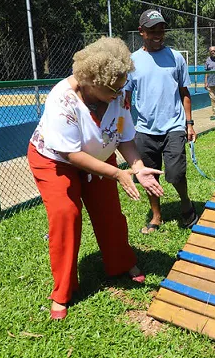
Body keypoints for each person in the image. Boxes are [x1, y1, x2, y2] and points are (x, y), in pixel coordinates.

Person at [27, 37, 165, 320]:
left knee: (110, 214)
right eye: (112, 89)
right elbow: (71, 154)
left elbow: (124, 137)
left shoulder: (119, 91)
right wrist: (117, 173)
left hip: (101, 156)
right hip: (56, 161)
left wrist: (137, 167)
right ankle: (62, 292)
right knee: (66, 215)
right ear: (90, 80)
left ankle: (121, 262)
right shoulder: (62, 98)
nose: (119, 93)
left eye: (122, 85)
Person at [126, 9, 199, 235]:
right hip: (145, 129)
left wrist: (189, 123)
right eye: (152, 31)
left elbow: (184, 92)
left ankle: (186, 204)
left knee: (175, 173)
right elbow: (126, 99)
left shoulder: (176, 57)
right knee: (149, 174)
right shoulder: (133, 61)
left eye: (161, 30)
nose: (158, 34)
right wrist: (126, 129)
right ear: (141, 32)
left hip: (174, 126)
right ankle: (156, 215)